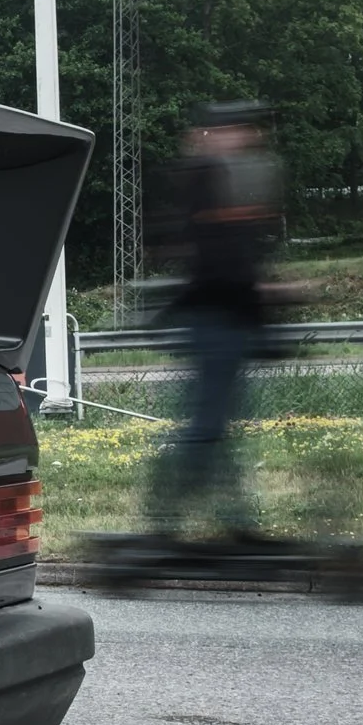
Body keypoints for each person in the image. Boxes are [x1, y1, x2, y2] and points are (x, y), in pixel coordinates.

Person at [145, 103, 282, 541]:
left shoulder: (222, 179)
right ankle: (166, 521)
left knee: (215, 428)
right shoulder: (208, 178)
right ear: (215, 133)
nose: (246, 137)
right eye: (237, 129)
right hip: (215, 317)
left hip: (226, 316)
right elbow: (217, 261)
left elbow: (231, 257)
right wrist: (261, 297)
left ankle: (232, 521)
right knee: (206, 429)